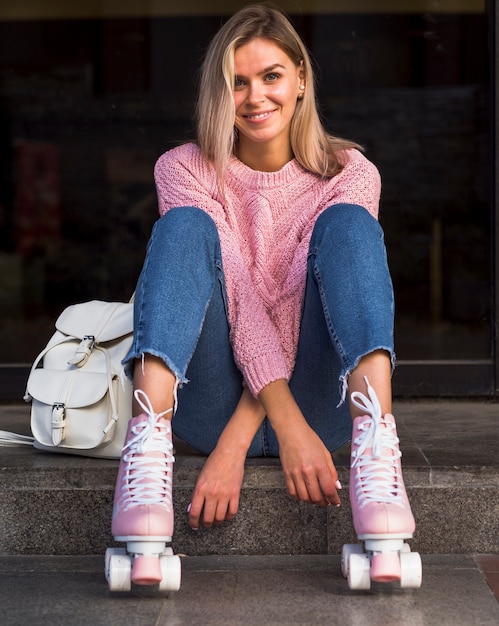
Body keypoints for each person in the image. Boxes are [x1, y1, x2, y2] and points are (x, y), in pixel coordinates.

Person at [106, 4, 420, 591]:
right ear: (219, 93)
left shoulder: (350, 173)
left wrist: (293, 429)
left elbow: (289, 308)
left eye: (271, 75)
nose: (255, 97)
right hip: (210, 404)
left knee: (350, 226)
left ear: (301, 79)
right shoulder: (186, 169)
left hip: (325, 409)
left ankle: (377, 445)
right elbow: (246, 302)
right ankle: (147, 451)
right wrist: (235, 439)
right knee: (184, 230)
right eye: (237, 82)